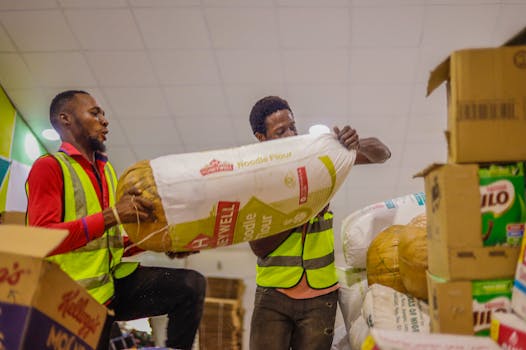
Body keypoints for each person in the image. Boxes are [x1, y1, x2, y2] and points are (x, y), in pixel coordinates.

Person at [25, 90, 206, 350]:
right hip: (69, 304)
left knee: (190, 285)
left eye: (103, 114)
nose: (104, 120)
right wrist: (114, 214)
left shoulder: (107, 171)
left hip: (109, 289)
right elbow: (43, 239)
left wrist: (160, 242)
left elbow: (110, 243)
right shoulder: (49, 167)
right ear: (66, 119)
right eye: (95, 113)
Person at [248, 96, 391, 350]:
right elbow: (259, 247)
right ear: (261, 137)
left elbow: (382, 153)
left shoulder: (320, 158)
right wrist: (303, 210)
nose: (291, 134)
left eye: (292, 126)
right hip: (272, 295)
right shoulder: (256, 179)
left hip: (321, 297)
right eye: (280, 131)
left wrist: (353, 144)